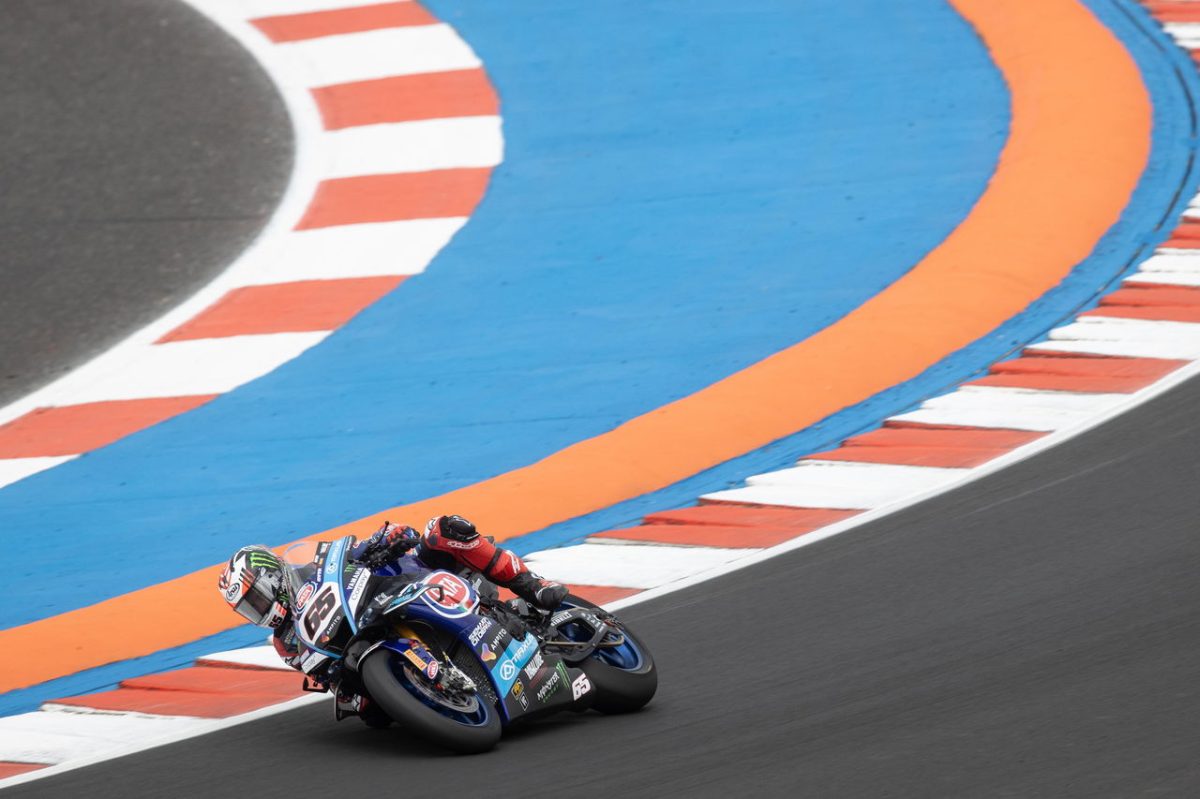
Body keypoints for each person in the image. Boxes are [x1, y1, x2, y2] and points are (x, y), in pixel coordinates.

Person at [217, 514, 569, 722]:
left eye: (256, 600)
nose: (258, 611)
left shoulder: (317, 566)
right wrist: (346, 689)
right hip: (374, 640)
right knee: (373, 717)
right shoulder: (286, 642)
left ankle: (532, 586)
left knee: (444, 529)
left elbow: (361, 547)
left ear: (273, 578)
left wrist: (389, 538)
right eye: (248, 609)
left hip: (412, 582)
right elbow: (324, 677)